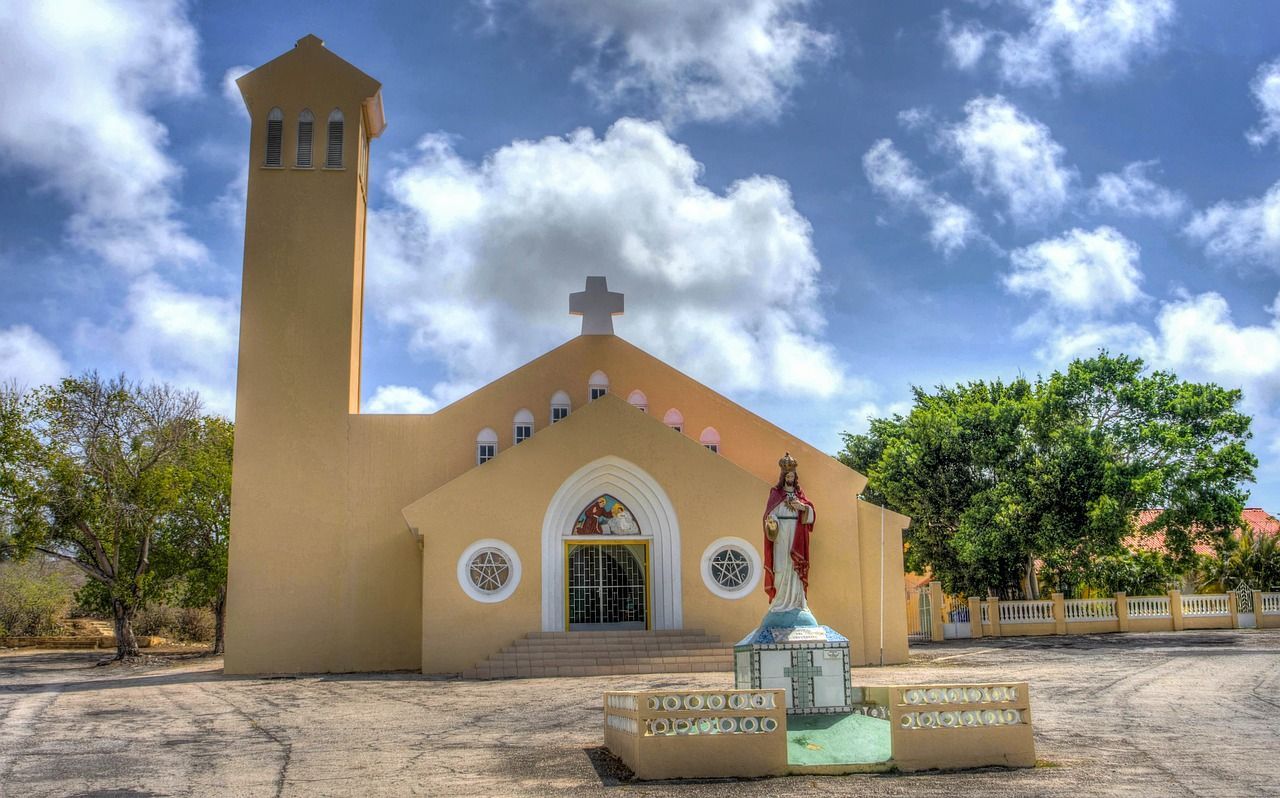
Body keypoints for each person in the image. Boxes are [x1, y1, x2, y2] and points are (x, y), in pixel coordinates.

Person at [763, 452, 815, 613]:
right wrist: (772, 521)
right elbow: (769, 514)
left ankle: (797, 603)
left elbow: (810, 514)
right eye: (788, 476)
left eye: (792, 476)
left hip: (796, 533)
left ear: (795, 477)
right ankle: (779, 602)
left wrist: (803, 507)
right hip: (781, 533)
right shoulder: (776, 494)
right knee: (781, 566)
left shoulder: (800, 495)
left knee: (794, 567)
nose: (790, 478)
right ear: (783, 477)